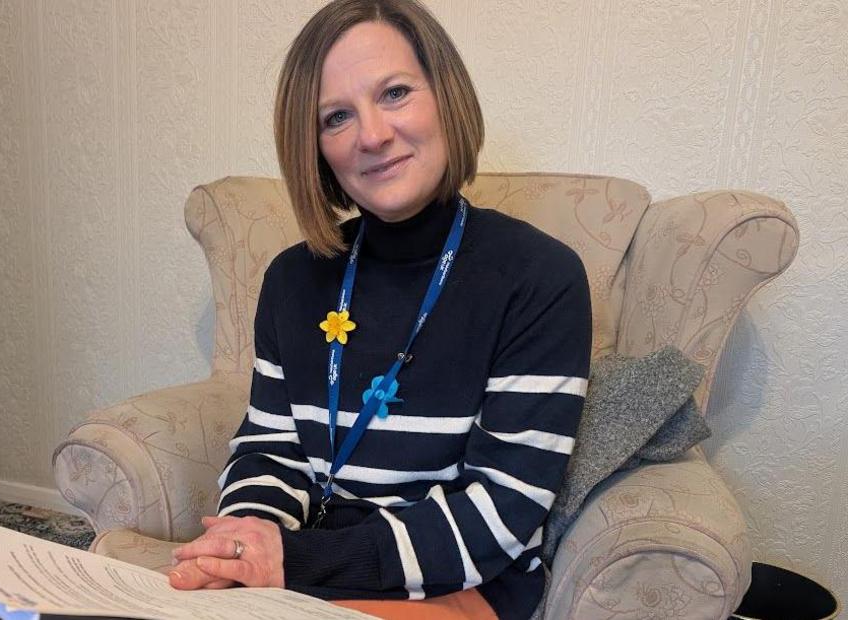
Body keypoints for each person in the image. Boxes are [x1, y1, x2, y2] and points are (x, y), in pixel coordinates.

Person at [168, 1, 591, 618]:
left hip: (460, 580)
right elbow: (271, 448)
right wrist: (243, 542)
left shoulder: (540, 277)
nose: (371, 135)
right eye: (336, 116)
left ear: (446, 97)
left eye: (395, 93)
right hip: (309, 563)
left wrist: (290, 561)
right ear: (315, 147)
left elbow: (501, 511)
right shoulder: (292, 278)